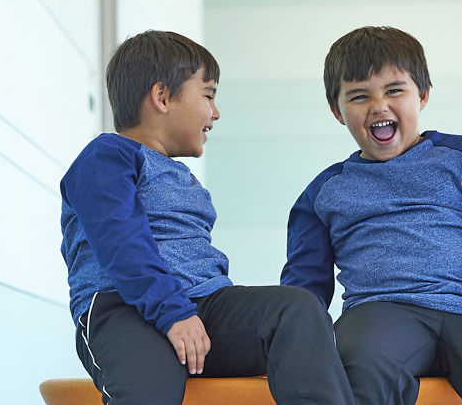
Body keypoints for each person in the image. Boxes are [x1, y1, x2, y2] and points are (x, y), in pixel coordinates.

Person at [280, 26, 462, 405]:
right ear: (338, 112)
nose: (379, 106)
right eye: (359, 96)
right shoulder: (322, 193)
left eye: (394, 90)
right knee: (356, 378)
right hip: (381, 312)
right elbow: (303, 287)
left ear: (421, 95)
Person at [60, 30, 353, 405]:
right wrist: (172, 313)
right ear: (162, 96)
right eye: (209, 95)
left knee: (295, 309)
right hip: (123, 309)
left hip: (204, 307)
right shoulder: (107, 156)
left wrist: (190, 313)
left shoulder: (183, 178)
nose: (215, 113)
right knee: (149, 393)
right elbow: (121, 242)